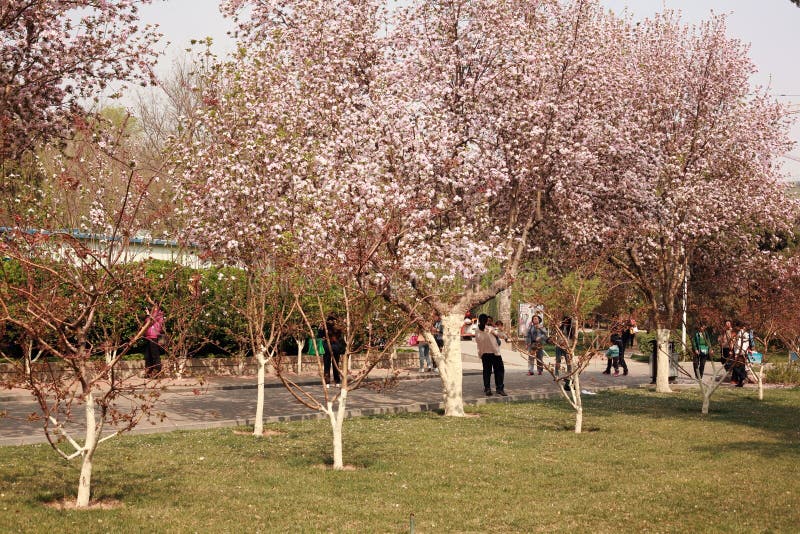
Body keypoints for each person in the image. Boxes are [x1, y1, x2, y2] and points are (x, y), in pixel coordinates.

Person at [475, 314, 507, 396]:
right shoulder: (490, 329)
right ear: (486, 321)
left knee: (487, 372)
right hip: (495, 353)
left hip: (485, 354)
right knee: (499, 371)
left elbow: (478, 343)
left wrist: (480, 353)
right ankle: (499, 389)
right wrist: (503, 333)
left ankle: (487, 389)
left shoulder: (477, 330)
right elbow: (502, 335)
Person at [554, 316, 575, 391]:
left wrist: (568, 344)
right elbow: (557, 333)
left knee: (568, 362)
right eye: (564, 321)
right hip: (559, 346)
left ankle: (569, 375)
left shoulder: (571, 329)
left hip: (567, 347)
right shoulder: (560, 327)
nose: (565, 322)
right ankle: (556, 375)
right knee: (558, 360)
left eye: (567, 321)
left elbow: (573, 338)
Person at [144, 305, 165, 378]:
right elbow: (147, 322)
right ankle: (148, 373)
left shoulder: (159, 315)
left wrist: (148, 314)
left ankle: (156, 373)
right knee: (148, 356)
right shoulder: (151, 314)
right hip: (148, 337)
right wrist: (148, 314)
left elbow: (151, 321)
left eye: (155, 306)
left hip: (154, 337)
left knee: (155, 356)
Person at [732, 323, 750, 387]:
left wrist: (735, 340)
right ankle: (741, 382)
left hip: (740, 352)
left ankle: (743, 377)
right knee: (741, 367)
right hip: (741, 352)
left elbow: (740, 343)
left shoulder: (741, 333)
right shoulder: (745, 334)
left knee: (736, 367)